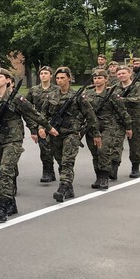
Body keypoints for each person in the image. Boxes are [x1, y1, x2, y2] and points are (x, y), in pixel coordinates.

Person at [0, 68, 55, 222]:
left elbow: (33, 114)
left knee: (6, 169)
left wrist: (47, 127)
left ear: (8, 80)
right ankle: (12, 204)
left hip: (13, 139)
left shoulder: (16, 97)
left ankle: (2, 207)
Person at [41, 67, 101, 202]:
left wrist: (96, 134)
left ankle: (62, 188)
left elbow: (90, 115)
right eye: (57, 78)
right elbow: (43, 114)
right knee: (60, 161)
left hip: (72, 133)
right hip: (55, 133)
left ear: (69, 78)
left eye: (62, 78)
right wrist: (41, 127)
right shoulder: (51, 95)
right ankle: (69, 187)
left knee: (68, 161)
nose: (59, 80)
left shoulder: (78, 96)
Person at [83, 69, 132, 190]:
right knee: (95, 153)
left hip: (108, 126)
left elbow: (122, 111)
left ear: (106, 79)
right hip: (92, 127)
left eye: (100, 78)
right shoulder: (88, 94)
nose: (97, 80)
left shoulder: (112, 94)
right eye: (95, 78)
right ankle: (98, 177)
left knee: (103, 150)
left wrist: (128, 126)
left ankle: (104, 177)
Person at [27, 66, 57, 183]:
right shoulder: (33, 90)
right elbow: (27, 108)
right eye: (41, 73)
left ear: (51, 75)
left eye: (46, 73)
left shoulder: (56, 89)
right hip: (40, 123)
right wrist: (33, 128)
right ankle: (47, 171)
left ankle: (59, 171)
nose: (43, 75)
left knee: (56, 149)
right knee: (44, 148)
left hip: (54, 122)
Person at [115, 64, 140, 178]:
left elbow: (138, 99)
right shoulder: (115, 87)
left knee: (134, 144)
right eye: (119, 74)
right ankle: (114, 167)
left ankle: (135, 167)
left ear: (130, 73)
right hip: (119, 118)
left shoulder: (138, 85)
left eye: (124, 73)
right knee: (116, 143)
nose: (121, 75)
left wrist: (122, 100)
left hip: (135, 118)